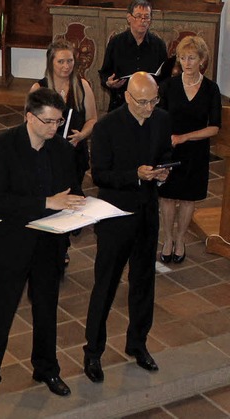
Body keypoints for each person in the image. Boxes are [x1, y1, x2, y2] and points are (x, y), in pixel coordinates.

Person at [0, 88, 84, 410]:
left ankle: (46, 368)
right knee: (0, 314)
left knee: (47, 310)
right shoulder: (3, 146)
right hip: (11, 245)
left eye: (58, 121)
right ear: (29, 116)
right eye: (48, 121)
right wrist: (45, 202)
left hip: (48, 245)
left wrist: (80, 211)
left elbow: (73, 191)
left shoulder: (62, 150)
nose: (54, 128)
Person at [84, 72, 172, 383]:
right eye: (144, 102)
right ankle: (93, 351)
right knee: (106, 284)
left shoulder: (161, 120)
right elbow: (100, 175)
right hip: (116, 215)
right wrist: (135, 175)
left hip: (147, 213)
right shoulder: (107, 126)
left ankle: (138, 343)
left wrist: (163, 173)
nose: (150, 107)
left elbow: (165, 155)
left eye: (154, 100)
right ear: (128, 98)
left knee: (143, 282)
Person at [30, 39, 98, 266]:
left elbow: (92, 119)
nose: (66, 66)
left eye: (70, 61)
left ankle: (64, 243)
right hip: (47, 154)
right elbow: (28, 123)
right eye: (61, 61)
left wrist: (82, 135)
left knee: (71, 197)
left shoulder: (82, 86)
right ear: (51, 63)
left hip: (73, 153)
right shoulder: (39, 89)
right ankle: (52, 241)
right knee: (51, 195)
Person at [158, 36, 221, 264]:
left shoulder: (211, 89)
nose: (186, 62)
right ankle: (167, 239)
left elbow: (214, 127)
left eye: (192, 58)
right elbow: (158, 119)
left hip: (195, 152)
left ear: (202, 60)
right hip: (170, 149)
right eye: (183, 58)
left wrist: (185, 137)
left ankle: (181, 239)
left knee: (187, 198)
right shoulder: (169, 86)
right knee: (166, 197)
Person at [99, 0, 167, 112]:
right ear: (129, 18)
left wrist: (159, 86)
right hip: (121, 103)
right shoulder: (116, 43)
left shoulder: (158, 45)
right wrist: (109, 83)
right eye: (138, 16)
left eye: (146, 17)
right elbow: (105, 72)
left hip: (149, 106)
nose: (143, 21)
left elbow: (165, 77)